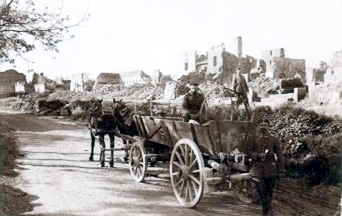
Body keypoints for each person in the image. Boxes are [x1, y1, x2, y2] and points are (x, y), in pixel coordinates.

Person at [247, 119, 285, 216]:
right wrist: (257, 155)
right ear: (258, 127)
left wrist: (281, 169)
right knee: (262, 192)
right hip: (257, 169)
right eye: (261, 124)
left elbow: (280, 155)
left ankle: (267, 211)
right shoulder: (253, 139)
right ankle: (265, 212)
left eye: (265, 125)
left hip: (271, 169)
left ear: (269, 127)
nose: (263, 126)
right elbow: (248, 153)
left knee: (270, 193)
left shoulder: (274, 140)